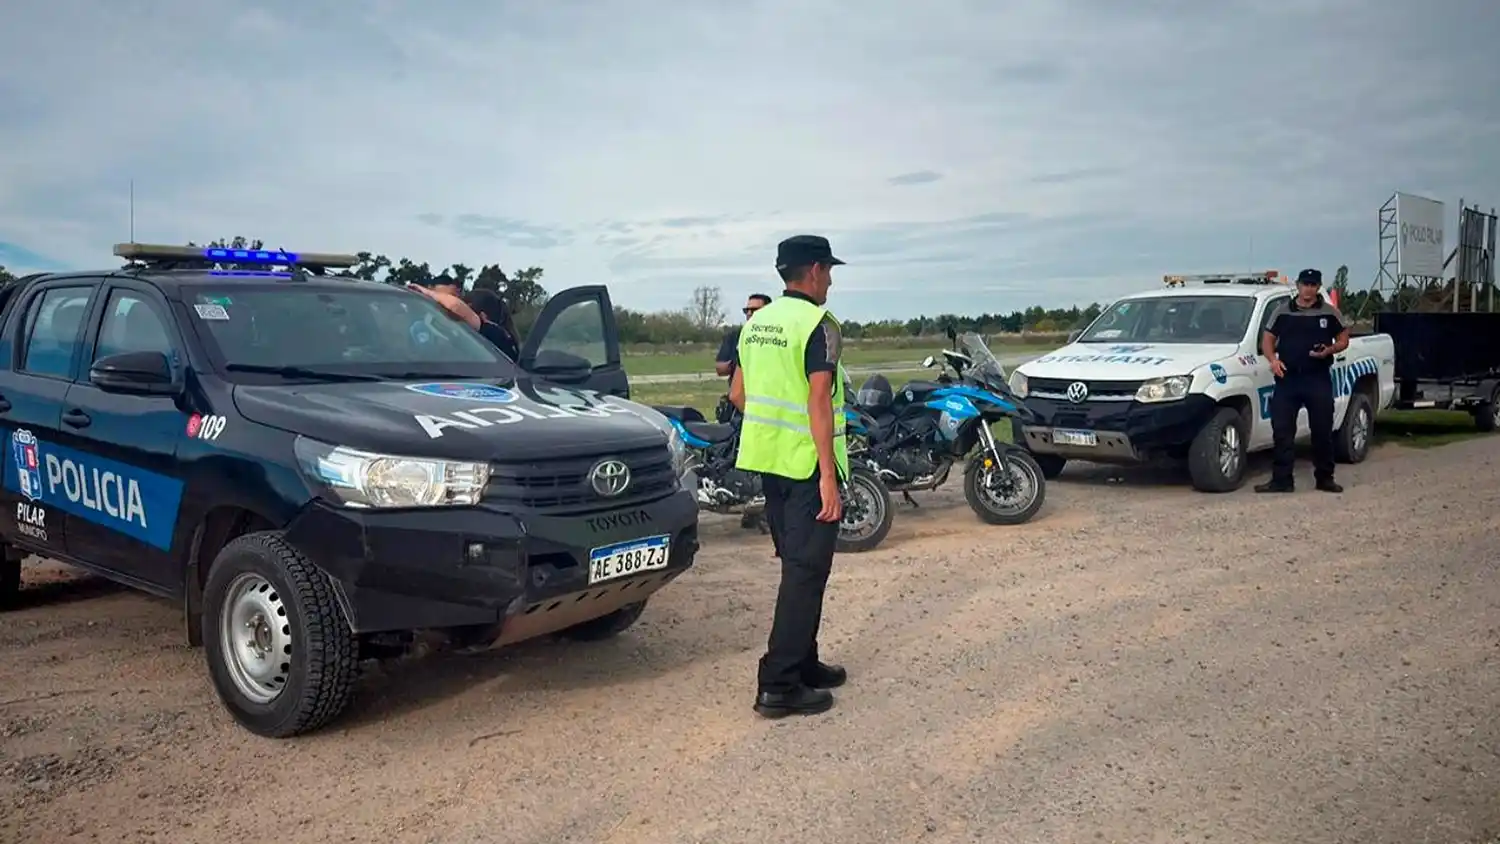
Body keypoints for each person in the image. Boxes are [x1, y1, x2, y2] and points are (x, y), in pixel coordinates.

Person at [729, 234, 849, 718]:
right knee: (805, 570)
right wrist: (827, 475)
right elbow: (819, 401)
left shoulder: (758, 323)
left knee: (799, 567)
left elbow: (738, 393)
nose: (832, 282)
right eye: (830, 272)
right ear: (815, 271)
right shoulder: (820, 324)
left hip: (768, 461)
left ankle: (804, 662)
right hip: (806, 466)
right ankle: (778, 684)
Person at [1255, 268, 1349, 494]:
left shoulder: (1329, 312)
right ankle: (1282, 480)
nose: (1308, 289)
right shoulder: (1282, 311)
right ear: (1298, 285)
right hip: (1288, 378)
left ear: (1318, 287)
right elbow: (1268, 339)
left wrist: (1330, 349)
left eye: (1313, 285)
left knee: (1322, 430)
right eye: (1305, 284)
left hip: (1317, 378)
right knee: (1283, 431)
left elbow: (1344, 337)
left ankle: (1325, 478)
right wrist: (1272, 360)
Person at [407, 283, 521, 360]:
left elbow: (455, 306)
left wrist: (428, 293)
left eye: (468, 313)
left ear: (482, 315)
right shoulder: (506, 339)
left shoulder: (494, 335)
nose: (462, 321)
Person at [715, 293, 773, 379]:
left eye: (754, 310)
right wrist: (738, 362)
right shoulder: (734, 336)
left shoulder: (776, 335)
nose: (749, 313)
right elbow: (720, 369)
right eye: (746, 310)